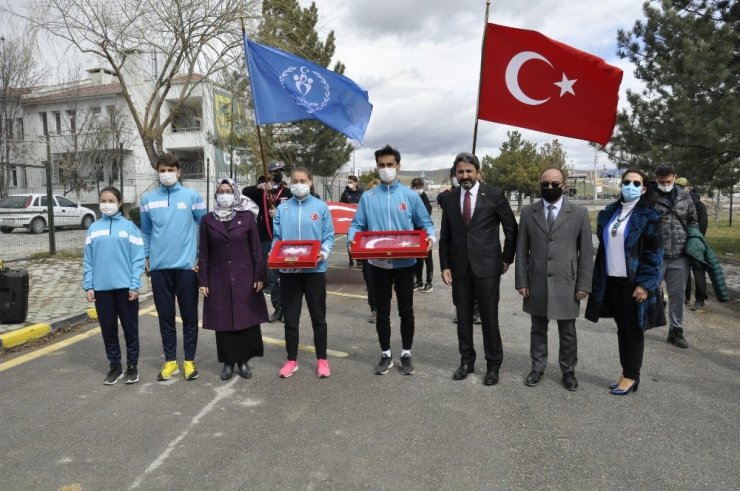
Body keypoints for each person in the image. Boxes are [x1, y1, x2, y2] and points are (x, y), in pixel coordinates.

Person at [348, 144, 436, 376]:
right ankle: (385, 354)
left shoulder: (409, 196)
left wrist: (430, 237)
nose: (386, 169)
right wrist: (351, 238)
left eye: (390, 165)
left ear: (398, 165)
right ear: (377, 167)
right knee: (383, 311)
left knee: (406, 310)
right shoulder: (368, 197)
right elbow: (357, 225)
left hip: (405, 263)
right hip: (378, 264)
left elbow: (425, 223)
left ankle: (406, 353)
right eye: (382, 166)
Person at [439, 152, 518, 386]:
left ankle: (493, 365)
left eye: (469, 171)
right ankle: (466, 361)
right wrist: (445, 265)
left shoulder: (494, 195)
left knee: (489, 318)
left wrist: (506, 258)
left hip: (488, 268)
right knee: (463, 318)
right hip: (460, 269)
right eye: (460, 172)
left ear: (478, 172)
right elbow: (446, 236)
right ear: (456, 174)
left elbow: (511, 228)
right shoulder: (450, 199)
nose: (465, 176)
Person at [586, 169, 664, 395]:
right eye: (627, 182)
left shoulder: (649, 216)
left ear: (644, 188)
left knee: (634, 330)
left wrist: (645, 284)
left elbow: (654, 254)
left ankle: (631, 376)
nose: (630, 186)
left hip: (634, 283)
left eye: (636, 183)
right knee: (622, 329)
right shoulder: (610, 212)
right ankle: (626, 372)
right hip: (611, 280)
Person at [515, 168, 593, 391]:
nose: (549, 188)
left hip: (567, 281)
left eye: (554, 183)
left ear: (564, 184)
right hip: (537, 279)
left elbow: (586, 253)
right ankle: (537, 367)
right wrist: (522, 280)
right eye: (545, 184)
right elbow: (522, 250)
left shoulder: (578, 213)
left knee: (567, 332)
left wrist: (584, 284)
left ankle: (568, 371)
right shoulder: (529, 212)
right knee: (537, 329)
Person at [140, 153, 207, 381]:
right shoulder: (148, 200)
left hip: (187, 268)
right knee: (165, 317)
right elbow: (146, 231)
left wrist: (200, 257)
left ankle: (189, 361)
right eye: (162, 170)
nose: (166, 174)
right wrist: (147, 256)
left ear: (179, 172)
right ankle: (171, 362)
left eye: (171, 169)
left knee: (189, 317)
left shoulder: (192, 197)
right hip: (159, 269)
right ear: (158, 172)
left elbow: (204, 227)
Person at [198, 178, 267, 381]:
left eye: (229, 191)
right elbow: (204, 253)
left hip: (244, 276)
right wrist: (203, 281)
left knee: (245, 320)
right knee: (224, 322)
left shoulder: (246, 218)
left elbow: (256, 250)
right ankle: (228, 362)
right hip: (218, 278)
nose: (225, 194)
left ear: (235, 193)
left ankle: (243, 361)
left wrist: (259, 275)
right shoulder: (208, 220)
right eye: (221, 191)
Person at [271, 167, 335, 378]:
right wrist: (274, 253)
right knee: (291, 318)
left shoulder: (320, 207)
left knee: (318, 317)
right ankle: (291, 360)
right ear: (290, 183)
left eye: (303, 180)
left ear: (310, 182)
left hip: (314, 271)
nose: (299, 184)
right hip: (289, 272)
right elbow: (277, 238)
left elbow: (328, 236)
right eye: (295, 180)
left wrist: (324, 252)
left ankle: (322, 360)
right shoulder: (283, 208)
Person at [83, 186, 145, 385]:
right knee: (108, 329)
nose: (107, 204)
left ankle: (132, 366)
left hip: (125, 288)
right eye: (103, 200)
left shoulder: (129, 228)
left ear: (119, 203)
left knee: (130, 329)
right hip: (101, 289)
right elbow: (88, 260)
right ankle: (115, 367)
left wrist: (135, 284)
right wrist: (88, 285)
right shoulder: (93, 228)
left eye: (111, 201)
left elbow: (137, 259)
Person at [650, 164, 698, 348]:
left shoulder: (685, 196)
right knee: (647, 289)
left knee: (677, 294)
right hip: (656, 253)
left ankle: (676, 331)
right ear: (656, 179)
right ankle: (640, 323)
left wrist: (693, 240)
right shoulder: (650, 196)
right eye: (661, 182)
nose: (665, 185)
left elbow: (693, 219)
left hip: (680, 254)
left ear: (675, 177)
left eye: (668, 181)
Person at [243, 160, 293, 323]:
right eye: (275, 171)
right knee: (271, 275)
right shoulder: (262, 191)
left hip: (283, 238)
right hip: (265, 238)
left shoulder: (287, 192)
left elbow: (293, 211)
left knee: (284, 274)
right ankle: (277, 307)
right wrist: (259, 187)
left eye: (281, 170)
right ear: (269, 174)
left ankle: (286, 308)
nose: (278, 173)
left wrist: (279, 213)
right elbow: (244, 191)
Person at [675, 177, 709, 310]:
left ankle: (700, 299)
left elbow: (703, 225)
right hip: (680, 243)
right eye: (677, 186)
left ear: (689, 188)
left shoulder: (698, 204)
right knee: (684, 271)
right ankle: (686, 296)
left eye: (682, 187)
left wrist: (695, 241)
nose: (680, 189)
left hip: (694, 243)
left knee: (698, 270)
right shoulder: (676, 202)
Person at [411, 177, 434, 293]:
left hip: (424, 232)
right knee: (417, 258)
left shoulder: (424, 199)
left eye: (419, 187)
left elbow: (426, 216)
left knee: (427, 258)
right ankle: (419, 281)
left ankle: (429, 282)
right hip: (414, 233)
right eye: (415, 187)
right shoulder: (411, 198)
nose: (418, 189)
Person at [340, 175, 363, 268]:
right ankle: (351, 260)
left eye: (351, 182)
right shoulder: (345, 193)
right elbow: (341, 205)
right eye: (348, 182)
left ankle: (359, 260)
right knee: (350, 239)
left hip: (359, 220)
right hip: (349, 221)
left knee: (359, 240)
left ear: (356, 183)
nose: (349, 184)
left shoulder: (361, 193)